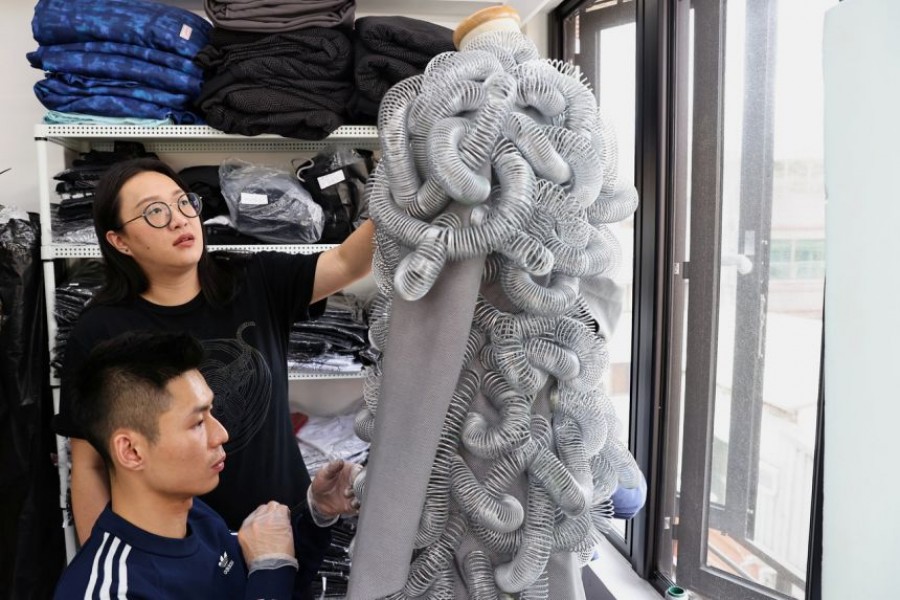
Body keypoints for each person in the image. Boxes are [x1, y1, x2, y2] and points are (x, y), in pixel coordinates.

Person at [54, 157, 373, 596]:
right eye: (154, 212)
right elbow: (90, 463)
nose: (179, 219)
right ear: (119, 241)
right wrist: (107, 565)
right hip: (178, 555)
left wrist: (409, 196)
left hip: (282, 525)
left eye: (183, 202)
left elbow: (347, 262)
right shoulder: (101, 330)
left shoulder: (252, 280)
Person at [54, 330, 356, 599]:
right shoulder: (111, 590)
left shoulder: (199, 519)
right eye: (198, 422)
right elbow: (268, 581)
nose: (221, 434)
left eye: (212, 412)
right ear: (131, 451)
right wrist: (269, 568)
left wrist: (316, 515)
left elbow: (277, 584)